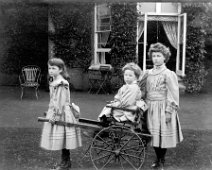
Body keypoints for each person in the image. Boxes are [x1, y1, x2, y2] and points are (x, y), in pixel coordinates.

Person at [142, 42, 183, 170]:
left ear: (164, 57)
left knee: (162, 135)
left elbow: (173, 93)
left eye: (159, 56)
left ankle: (161, 160)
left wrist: (168, 111)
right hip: (150, 107)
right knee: (153, 135)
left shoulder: (168, 74)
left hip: (162, 107)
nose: (156, 58)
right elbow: (141, 89)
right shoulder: (147, 73)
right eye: (154, 56)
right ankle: (157, 157)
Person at [40, 58, 82, 170]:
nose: (51, 70)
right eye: (49, 68)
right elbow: (54, 100)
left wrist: (55, 116)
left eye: (54, 68)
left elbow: (61, 102)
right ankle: (65, 163)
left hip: (63, 113)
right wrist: (50, 110)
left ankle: (65, 164)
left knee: (63, 139)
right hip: (58, 111)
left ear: (61, 70)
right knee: (63, 139)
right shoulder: (54, 81)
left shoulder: (61, 83)